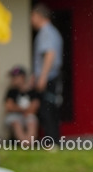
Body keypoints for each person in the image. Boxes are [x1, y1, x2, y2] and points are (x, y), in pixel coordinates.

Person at [30, 3, 63, 143]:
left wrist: (42, 77)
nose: (31, 20)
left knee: (47, 111)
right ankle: (53, 142)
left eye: (32, 16)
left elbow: (50, 54)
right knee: (49, 110)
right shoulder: (51, 32)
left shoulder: (46, 32)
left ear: (39, 16)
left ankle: (52, 143)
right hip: (50, 77)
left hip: (49, 78)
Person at [4, 66, 40, 144]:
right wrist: (25, 110)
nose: (13, 79)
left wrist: (16, 108)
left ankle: (29, 143)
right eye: (12, 77)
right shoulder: (11, 91)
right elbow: (9, 107)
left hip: (28, 115)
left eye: (15, 77)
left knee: (31, 121)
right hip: (15, 116)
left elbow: (34, 107)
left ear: (23, 77)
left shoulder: (32, 91)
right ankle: (25, 143)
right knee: (16, 122)